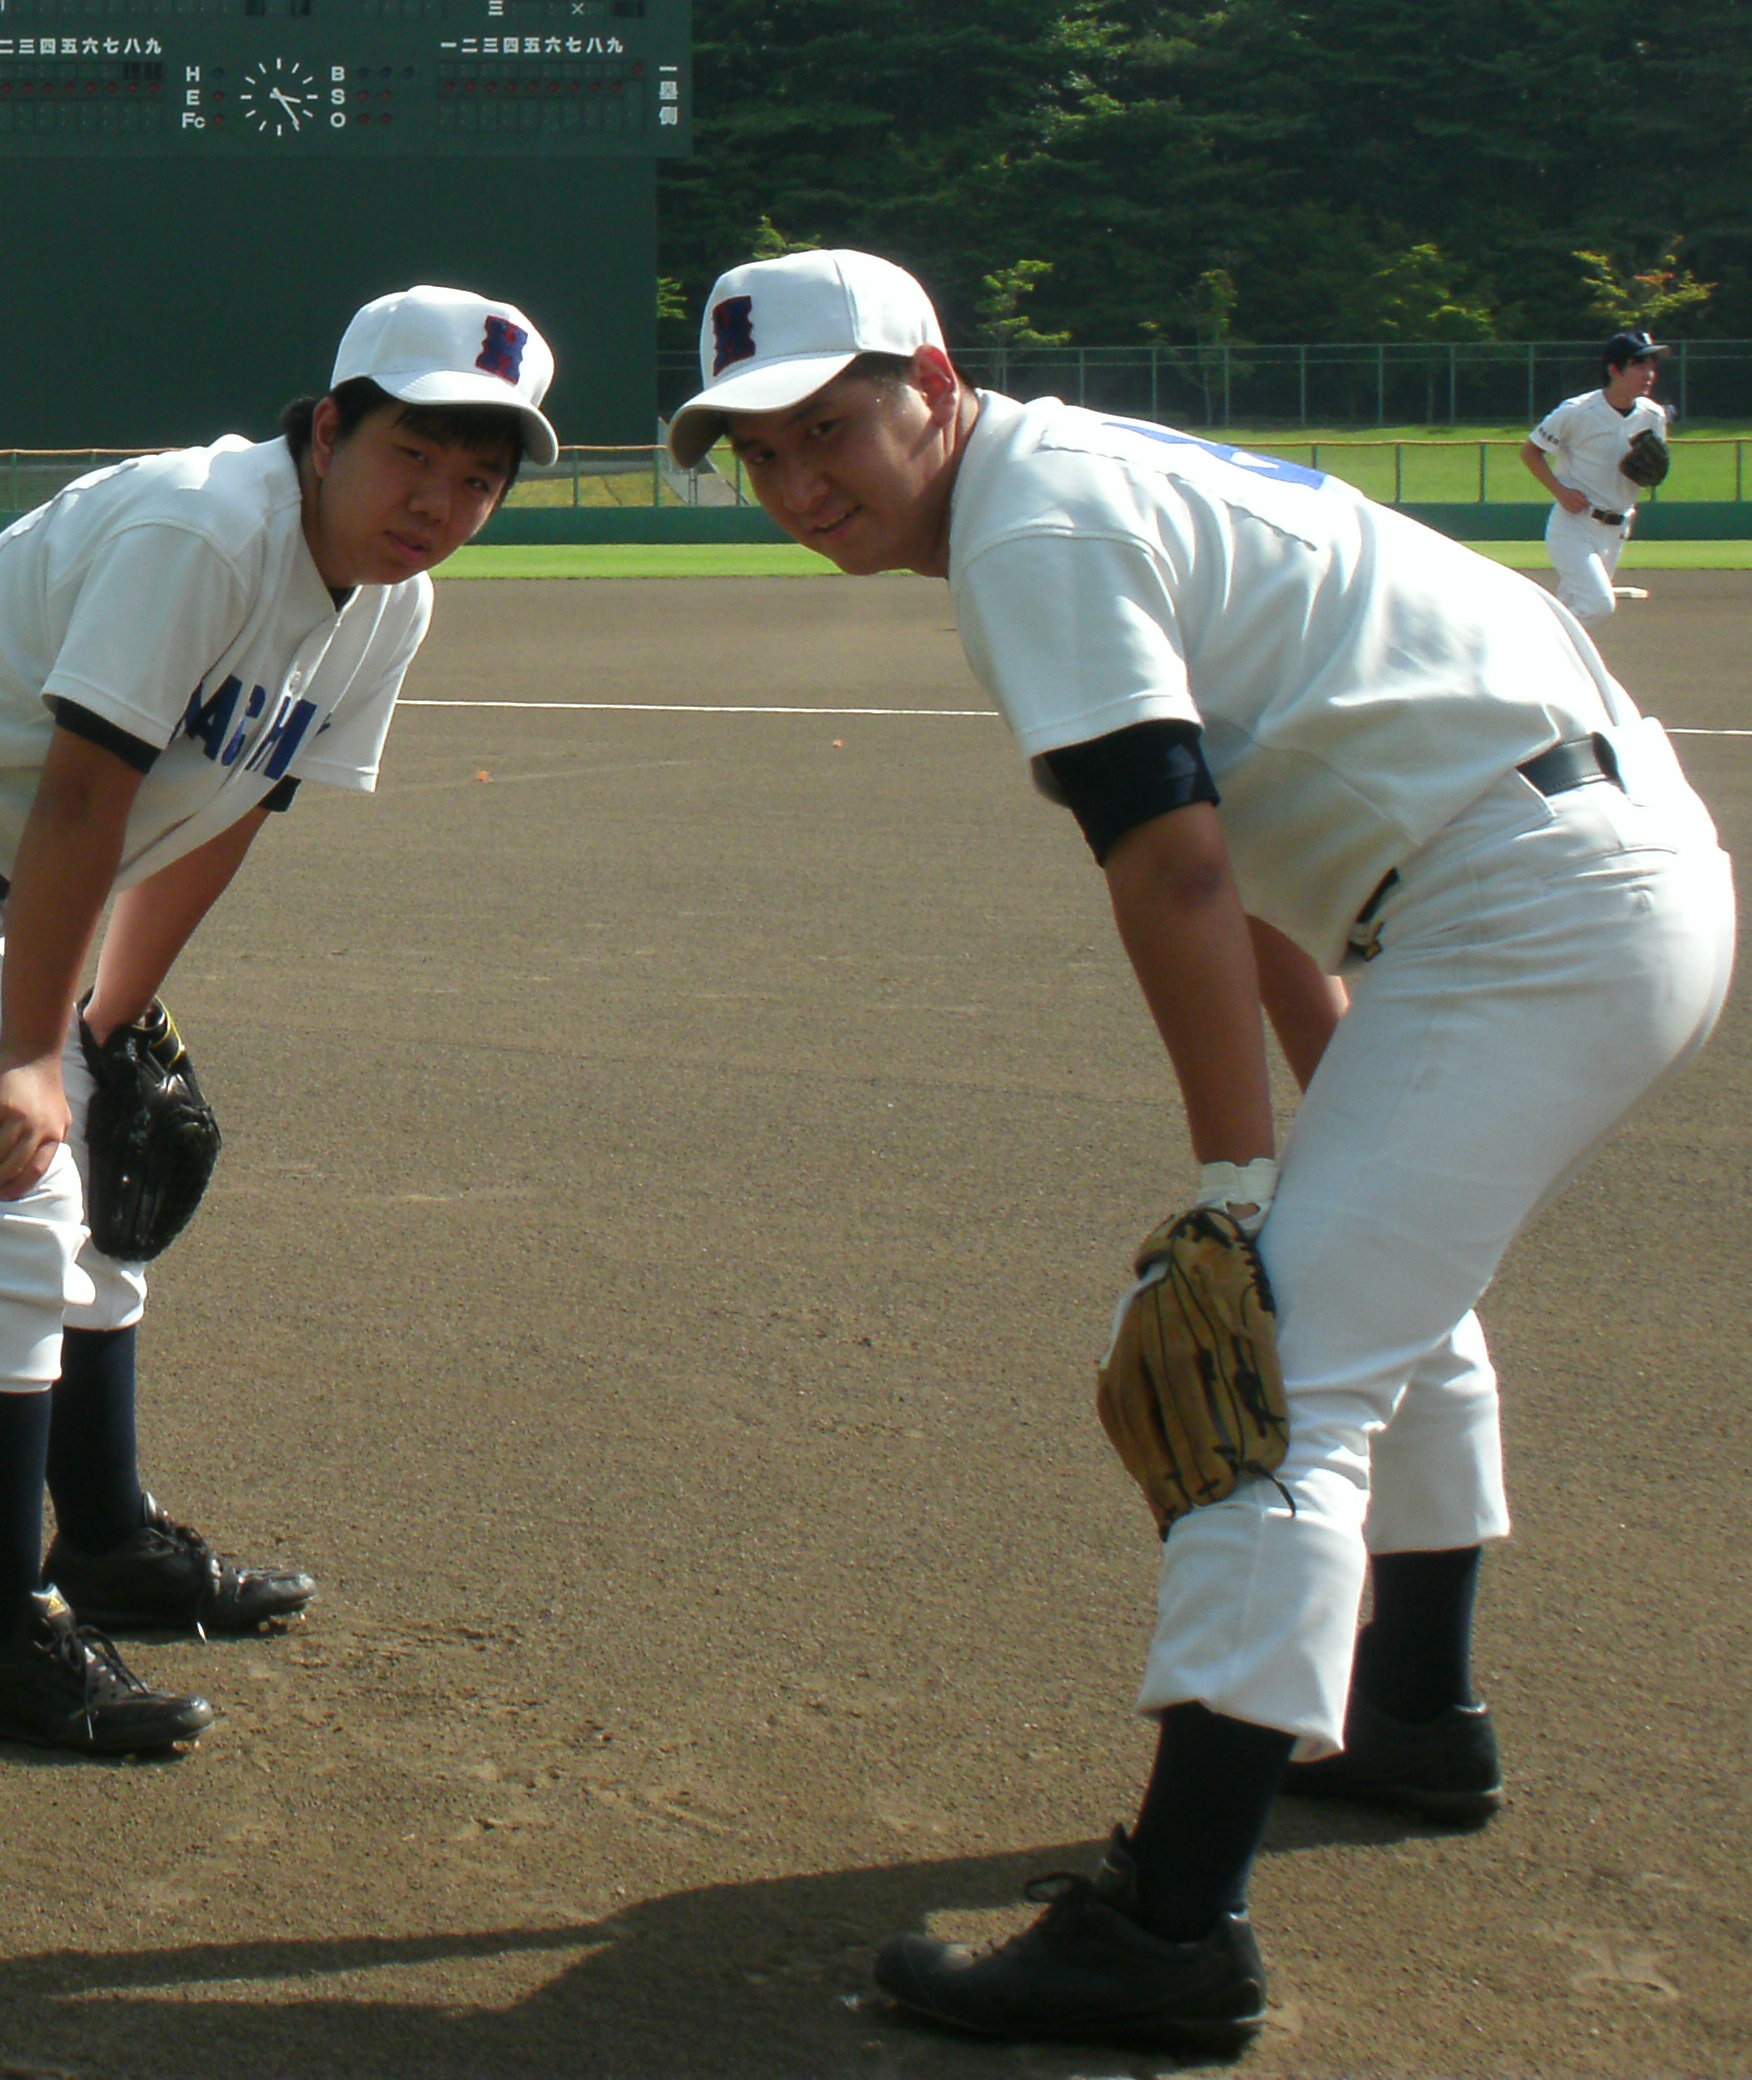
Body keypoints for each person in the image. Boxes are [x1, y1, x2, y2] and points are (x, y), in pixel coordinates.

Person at [670, 246, 1735, 2056]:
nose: (797, 484)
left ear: (932, 381)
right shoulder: (1069, 480)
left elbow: (1174, 866)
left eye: (828, 426)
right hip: (1553, 875)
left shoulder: (1032, 532)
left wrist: (1235, 1188)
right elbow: (1232, 842)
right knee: (1368, 1295)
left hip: (1526, 902)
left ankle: (1172, 1934)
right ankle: (1411, 1722)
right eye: (755, 454)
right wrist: (1306, 1133)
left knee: (1278, 1376)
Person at [0, 287, 552, 1754]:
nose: (441, 501)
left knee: (104, 1185)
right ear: (326, 431)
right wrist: (33, 1055)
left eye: (478, 479)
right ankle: (0, 1650)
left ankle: (102, 1543)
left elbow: (227, 812)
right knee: (8, 1211)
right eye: (414, 456)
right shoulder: (199, 531)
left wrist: (112, 1022)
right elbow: (84, 794)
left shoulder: (388, 606)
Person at [1522, 330, 1675, 626]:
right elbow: (1530, 452)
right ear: (1614, 369)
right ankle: (1540, 649)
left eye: (1651, 366)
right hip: (1575, 526)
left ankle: (1543, 662)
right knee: (1598, 605)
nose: (1649, 374)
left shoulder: (1653, 415)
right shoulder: (1577, 412)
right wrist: (1560, 491)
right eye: (1640, 365)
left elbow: (1649, 470)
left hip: (1616, 530)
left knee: (1568, 612)